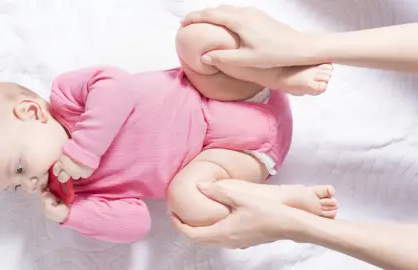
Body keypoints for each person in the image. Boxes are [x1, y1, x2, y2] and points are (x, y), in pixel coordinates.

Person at [0, 21, 337, 243]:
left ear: (31, 112)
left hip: (235, 96)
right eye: (16, 186)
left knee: (194, 39)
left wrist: (86, 149)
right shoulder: (82, 191)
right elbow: (136, 225)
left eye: (18, 168)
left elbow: (119, 87)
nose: (30, 184)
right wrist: (72, 213)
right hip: (234, 159)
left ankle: (287, 72)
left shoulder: (67, 95)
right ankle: (281, 202)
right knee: (185, 201)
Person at [171, 5, 418, 270]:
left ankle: (278, 202)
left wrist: (295, 224)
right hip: (236, 105)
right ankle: (276, 73)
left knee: (191, 202)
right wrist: (307, 46)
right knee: (199, 35)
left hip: (230, 154)